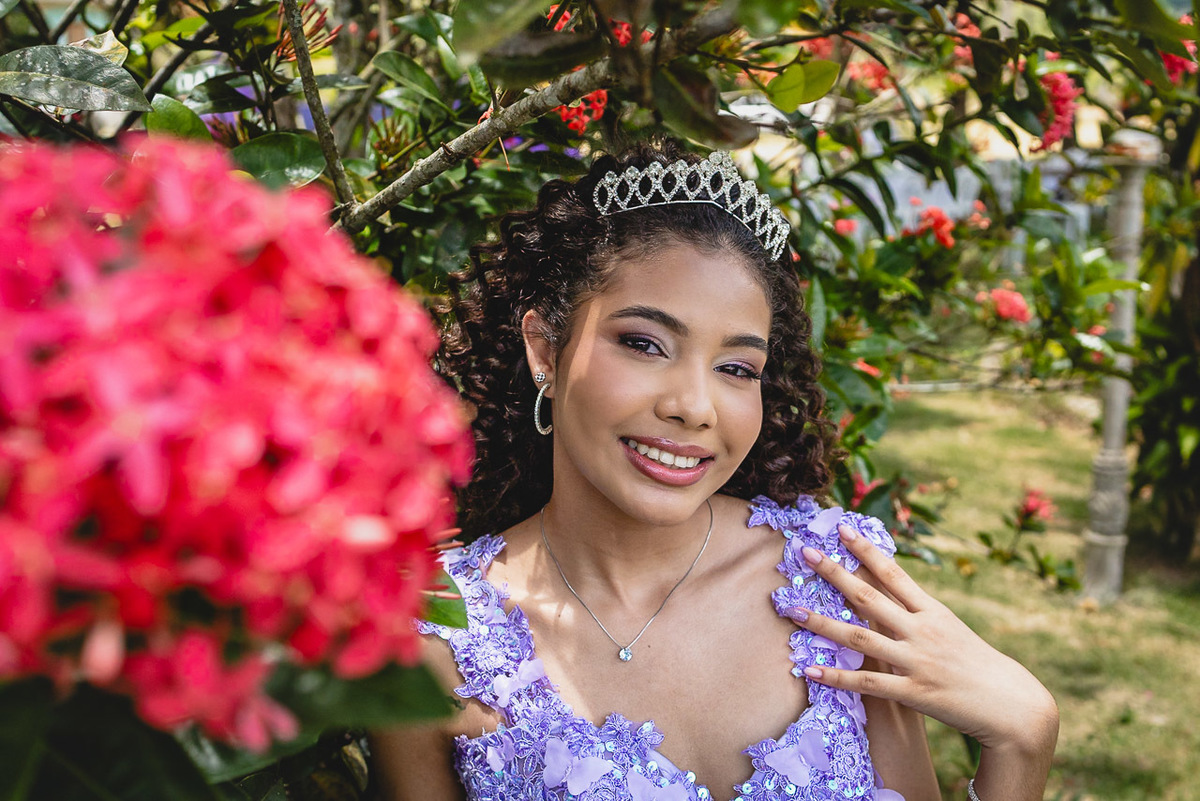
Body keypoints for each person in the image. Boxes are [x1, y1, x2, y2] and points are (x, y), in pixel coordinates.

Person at [370, 141, 1059, 801]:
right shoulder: (438, 636)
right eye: (644, 343)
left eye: (736, 367)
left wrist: (1025, 738)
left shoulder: (832, 585)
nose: (695, 407)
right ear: (546, 349)